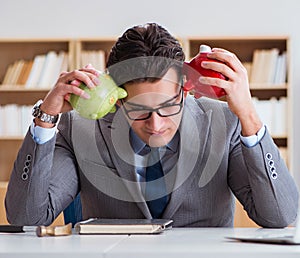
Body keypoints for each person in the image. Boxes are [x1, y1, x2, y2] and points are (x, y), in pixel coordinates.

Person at [5, 23, 299, 227]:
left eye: (168, 106)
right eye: (139, 110)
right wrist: (46, 120)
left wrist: (248, 114)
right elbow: (26, 218)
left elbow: (279, 215)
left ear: (186, 88)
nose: (156, 124)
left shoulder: (226, 122)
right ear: (117, 99)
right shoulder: (77, 128)